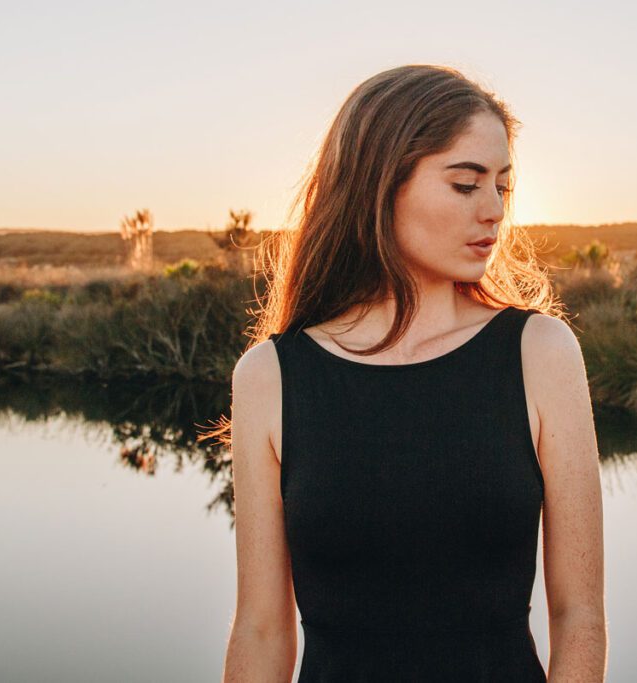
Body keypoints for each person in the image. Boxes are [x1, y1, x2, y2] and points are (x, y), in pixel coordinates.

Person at [215, 64, 606, 681]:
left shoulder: (540, 353)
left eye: (502, 186)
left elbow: (579, 616)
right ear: (379, 183)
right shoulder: (271, 375)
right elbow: (262, 628)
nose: (494, 211)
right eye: (464, 184)